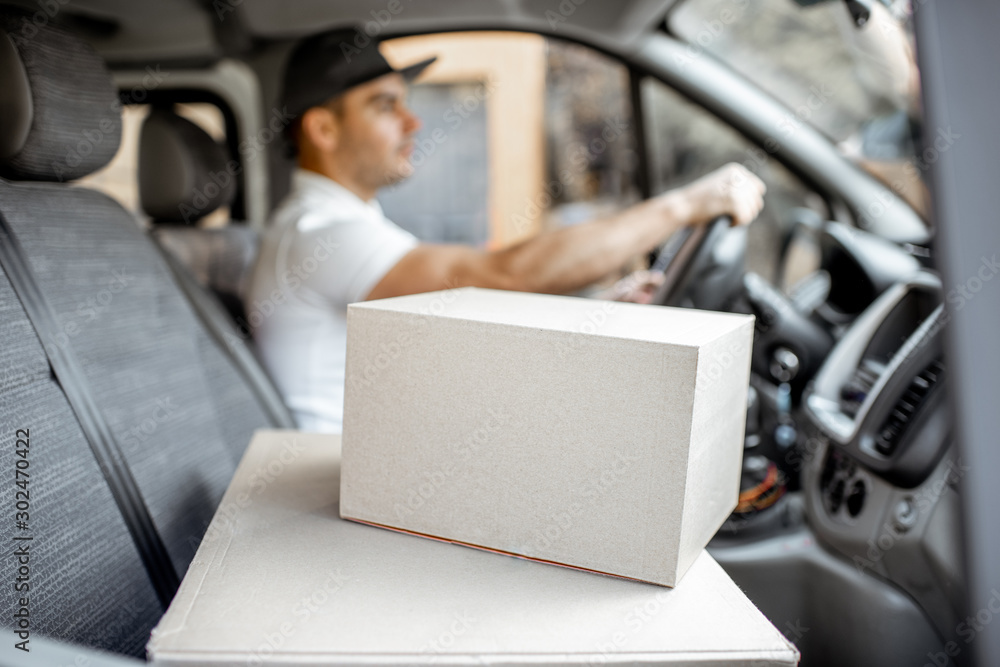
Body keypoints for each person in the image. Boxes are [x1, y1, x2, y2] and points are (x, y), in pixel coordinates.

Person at [246, 29, 766, 434]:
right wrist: (685, 204)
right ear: (322, 129)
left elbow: (451, 324)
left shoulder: (338, 223)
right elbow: (505, 275)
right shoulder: (321, 233)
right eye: (386, 106)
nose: (413, 123)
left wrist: (600, 307)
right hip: (338, 491)